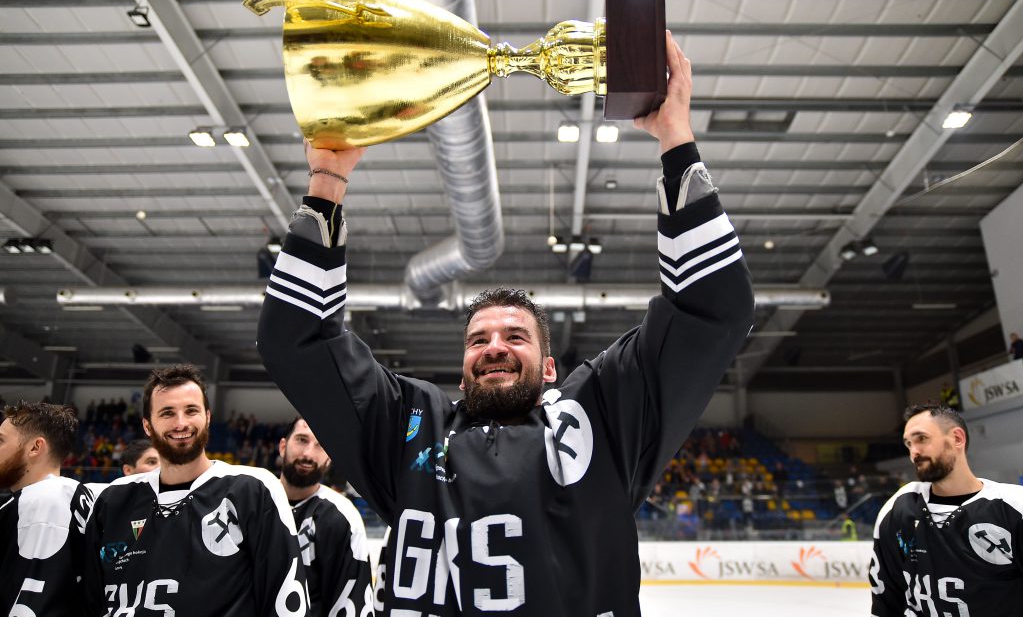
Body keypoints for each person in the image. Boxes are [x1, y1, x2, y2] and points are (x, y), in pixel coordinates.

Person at [258, 31, 754, 616]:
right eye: (478, 340)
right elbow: (296, 340)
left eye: (515, 336)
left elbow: (711, 308)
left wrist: (676, 138)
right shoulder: (409, 427)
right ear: (461, 370)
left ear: (550, 369)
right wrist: (327, 181)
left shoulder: (602, 419)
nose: (494, 346)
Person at [82, 364, 308, 616]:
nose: (181, 423)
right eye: (167, 413)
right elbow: (90, 599)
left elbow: (286, 601)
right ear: (147, 426)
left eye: (191, 411)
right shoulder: (113, 500)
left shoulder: (252, 489)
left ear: (207, 417)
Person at [869, 404, 1023, 615]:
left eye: (921, 438)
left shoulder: (1013, 507)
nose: (914, 452)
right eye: (908, 443)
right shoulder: (900, 508)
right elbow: (887, 602)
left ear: (957, 438)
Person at [0, 401, 94, 617]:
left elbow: (32, 603)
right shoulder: (74, 493)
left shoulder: (40, 500)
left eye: (1, 440)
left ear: (35, 447)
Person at [279, 417, 374, 616]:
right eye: (302, 440)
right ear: (283, 446)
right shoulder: (254, 502)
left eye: (320, 445)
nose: (308, 454)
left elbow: (352, 604)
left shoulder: (342, 517)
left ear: (329, 458)